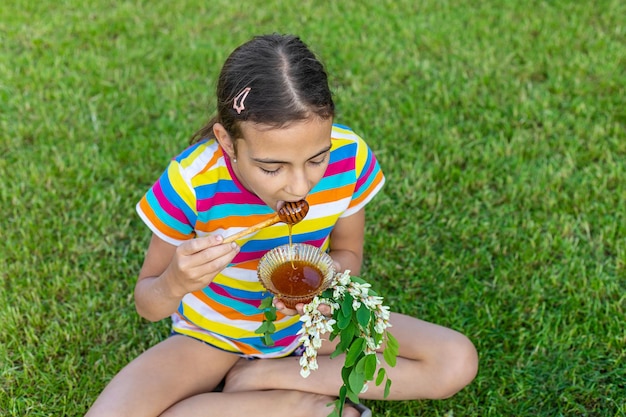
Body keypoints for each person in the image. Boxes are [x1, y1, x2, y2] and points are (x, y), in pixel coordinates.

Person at [86, 33, 478, 417]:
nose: (300, 185)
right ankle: (295, 404)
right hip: (211, 337)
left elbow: (348, 253)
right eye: (271, 167)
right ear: (226, 141)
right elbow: (148, 302)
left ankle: (261, 377)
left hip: (313, 325)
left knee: (454, 361)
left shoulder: (349, 158)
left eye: (316, 159)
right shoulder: (192, 182)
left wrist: (321, 286)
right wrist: (177, 281)